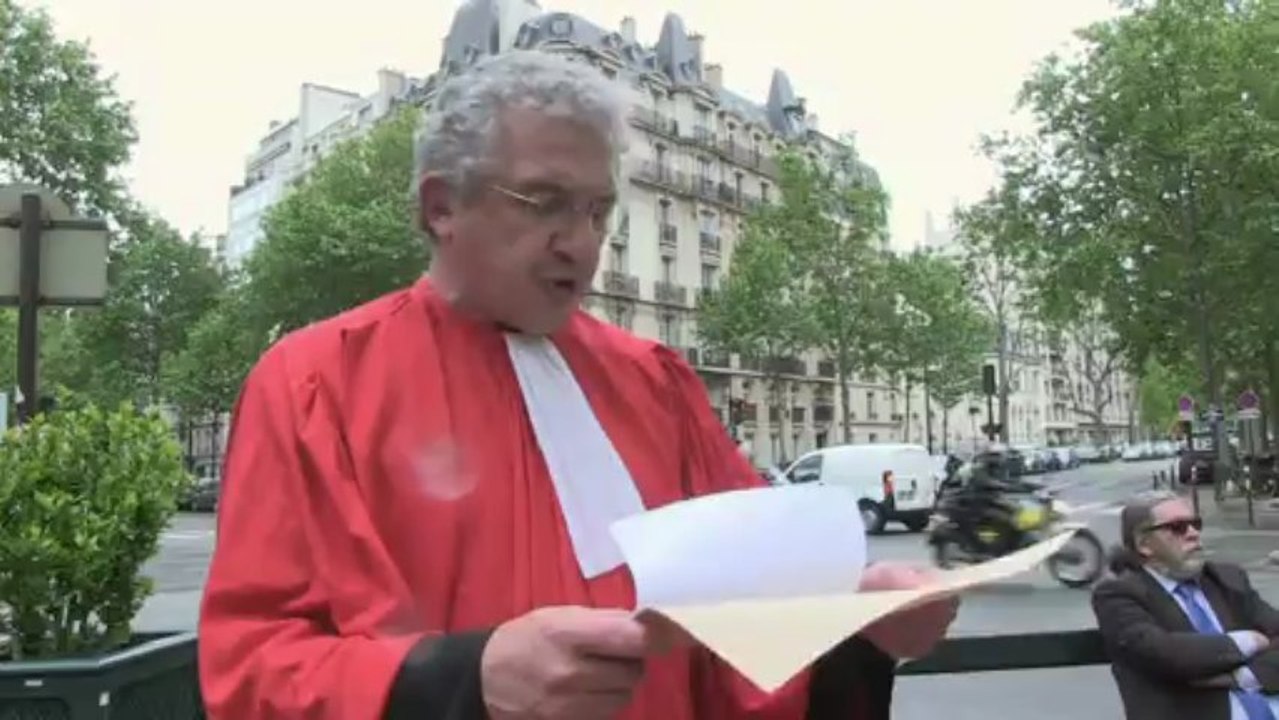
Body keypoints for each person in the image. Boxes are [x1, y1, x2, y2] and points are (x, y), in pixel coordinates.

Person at [197, 50, 956, 720]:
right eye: (546, 203)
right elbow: (253, 668)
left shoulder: (657, 386)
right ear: (441, 208)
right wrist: (465, 681)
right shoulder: (313, 385)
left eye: (597, 210)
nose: (583, 243)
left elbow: (749, 622)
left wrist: (855, 627)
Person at [1092, 490, 1279, 720]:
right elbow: (1165, 654)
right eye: (1177, 527)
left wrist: (1244, 677)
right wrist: (1245, 641)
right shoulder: (1118, 595)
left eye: (1195, 524)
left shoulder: (1226, 578)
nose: (1193, 534)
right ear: (1144, 544)